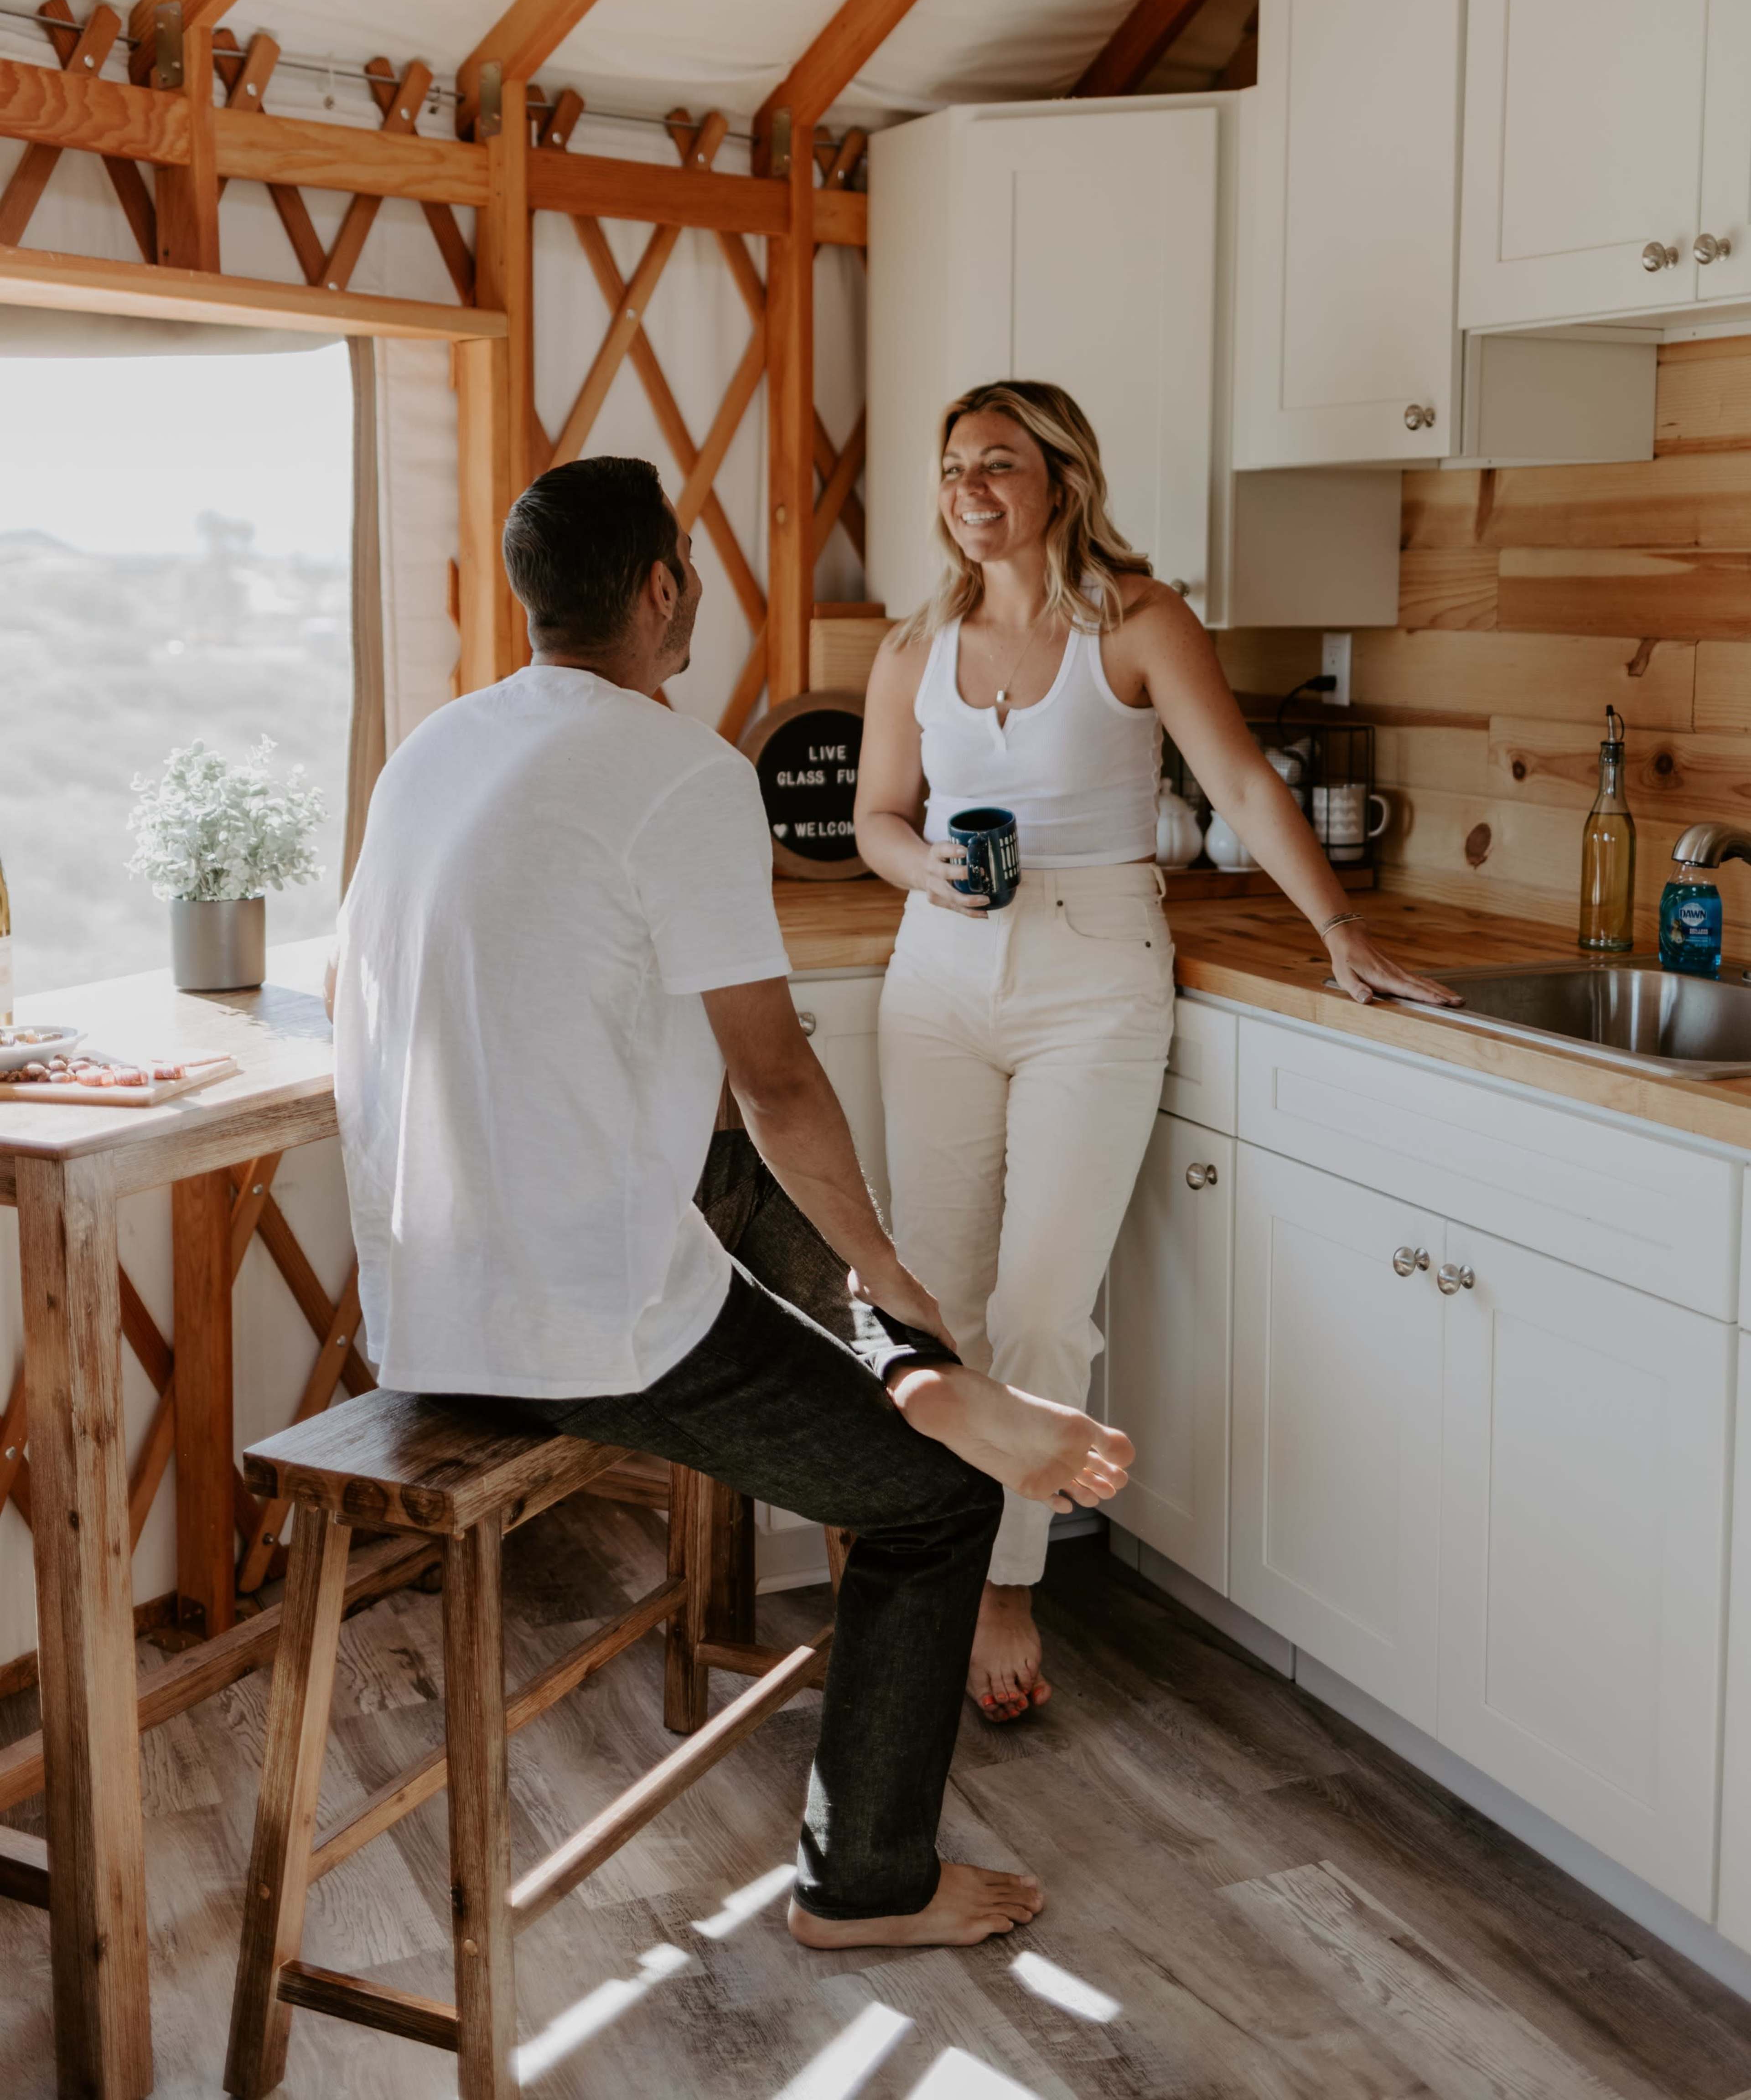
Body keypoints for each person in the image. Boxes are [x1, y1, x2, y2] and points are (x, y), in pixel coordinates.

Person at [332, 453, 1136, 1950]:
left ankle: (921, 1375)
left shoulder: (434, 745)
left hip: (422, 1300)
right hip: (572, 1328)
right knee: (939, 1507)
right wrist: (892, 1264)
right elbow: (772, 1078)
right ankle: (866, 1878)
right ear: (662, 589)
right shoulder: (681, 769)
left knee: (739, 1189)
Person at [855, 380, 1456, 1725]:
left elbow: (1242, 781)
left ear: (1063, 479)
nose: (970, 490)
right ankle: (927, 1565)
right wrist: (935, 871)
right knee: (934, 1293)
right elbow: (879, 816)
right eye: (954, 467)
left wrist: (1340, 929)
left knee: (1042, 1301)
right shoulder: (914, 645)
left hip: (1095, 976)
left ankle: (1008, 1581)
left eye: (999, 465)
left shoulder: (1135, 620)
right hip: (939, 972)